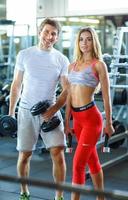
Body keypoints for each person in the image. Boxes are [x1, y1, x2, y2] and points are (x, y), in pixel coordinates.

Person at [9, 18, 70, 200]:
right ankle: (24, 192)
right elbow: (16, 85)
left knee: (58, 153)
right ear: (39, 32)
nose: (49, 37)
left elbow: (67, 89)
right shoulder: (25, 54)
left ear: (57, 37)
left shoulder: (61, 59)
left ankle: (59, 196)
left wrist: (54, 109)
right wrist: (11, 113)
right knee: (25, 154)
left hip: (50, 111)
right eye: (46, 32)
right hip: (27, 111)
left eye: (53, 34)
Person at [64, 27, 114, 200]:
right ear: (77, 43)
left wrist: (109, 123)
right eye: (81, 39)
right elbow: (69, 95)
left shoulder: (99, 65)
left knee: (78, 165)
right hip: (77, 120)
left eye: (88, 39)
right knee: (92, 162)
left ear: (94, 42)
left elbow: (107, 96)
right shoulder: (72, 66)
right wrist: (66, 122)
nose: (84, 43)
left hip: (92, 119)